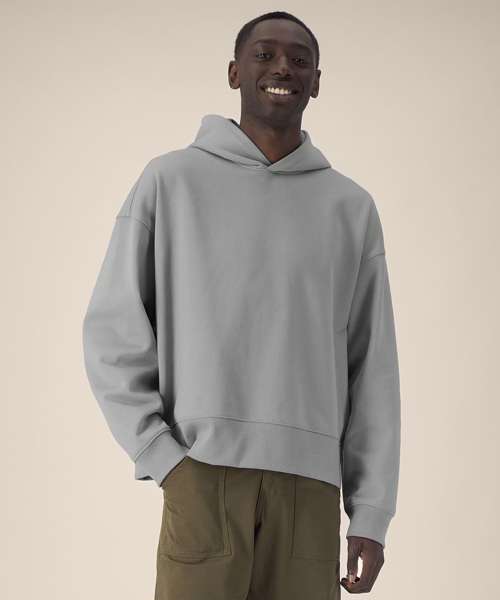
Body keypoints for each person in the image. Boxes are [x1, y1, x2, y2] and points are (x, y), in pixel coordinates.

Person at [82, 10, 401, 600]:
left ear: (316, 81)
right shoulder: (170, 181)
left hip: (311, 488)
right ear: (234, 72)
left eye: (299, 60)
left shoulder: (350, 209)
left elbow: (372, 366)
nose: (283, 67)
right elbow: (112, 329)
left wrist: (372, 512)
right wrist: (161, 454)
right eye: (264, 54)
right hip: (201, 473)